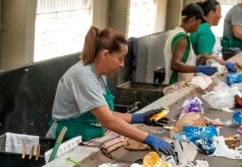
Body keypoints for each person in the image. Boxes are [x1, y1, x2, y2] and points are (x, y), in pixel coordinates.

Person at [48, 27, 173, 156]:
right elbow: (107, 120)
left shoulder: (99, 73)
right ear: (104, 54)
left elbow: (104, 113)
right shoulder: (83, 76)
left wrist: (139, 118)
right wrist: (148, 138)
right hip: (66, 142)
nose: (122, 64)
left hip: (84, 135)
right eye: (120, 58)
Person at [163, 3, 218, 85]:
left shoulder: (176, 32)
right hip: (176, 85)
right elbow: (175, 65)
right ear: (193, 19)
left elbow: (183, 59)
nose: (199, 26)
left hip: (177, 84)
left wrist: (197, 59)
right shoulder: (182, 38)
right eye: (199, 22)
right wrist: (198, 69)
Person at [189, 0, 239, 73]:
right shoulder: (205, 31)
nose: (220, 16)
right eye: (219, 12)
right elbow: (204, 57)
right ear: (211, 13)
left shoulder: (199, 27)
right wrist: (225, 63)